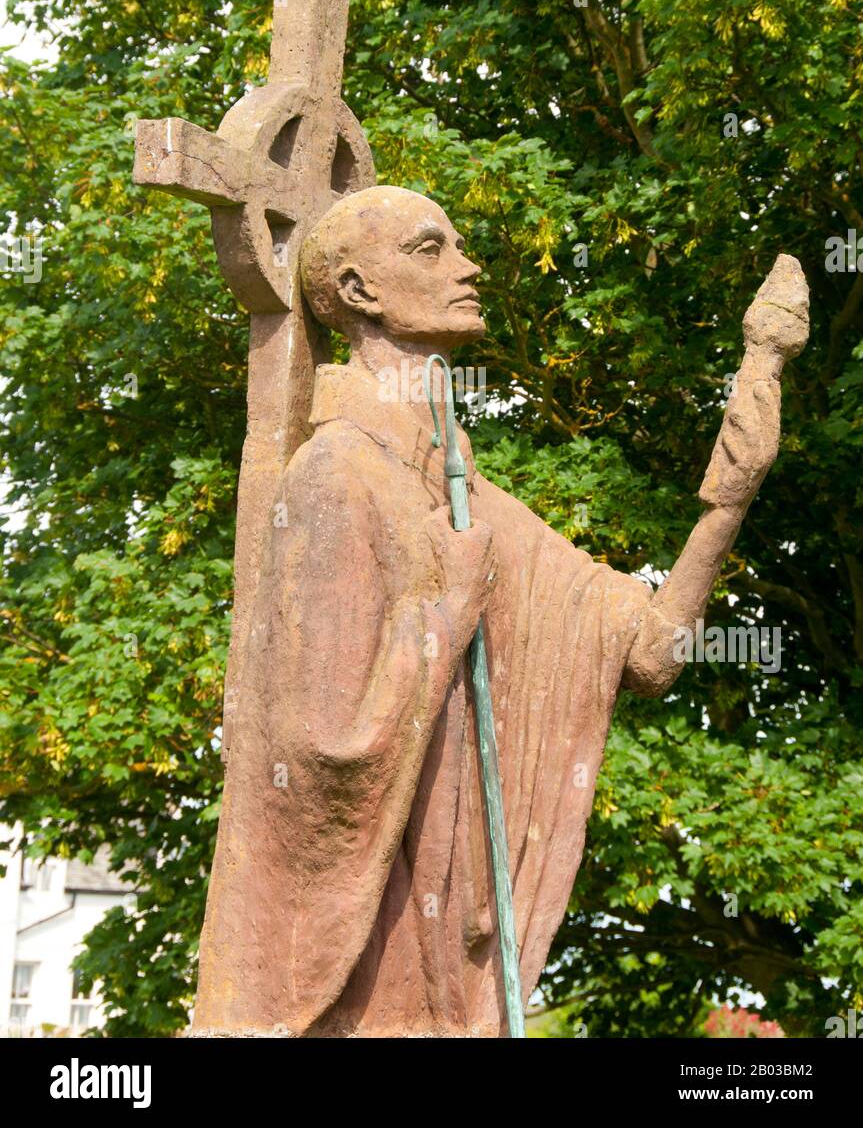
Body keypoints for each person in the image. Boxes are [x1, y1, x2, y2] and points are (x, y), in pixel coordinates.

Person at [191, 185, 807, 1038]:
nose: (468, 268)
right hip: (370, 973)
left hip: (452, 955)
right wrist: (445, 613)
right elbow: (314, 747)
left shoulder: (470, 502)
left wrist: (730, 496)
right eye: (429, 249)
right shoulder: (335, 474)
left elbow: (649, 651)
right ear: (360, 291)